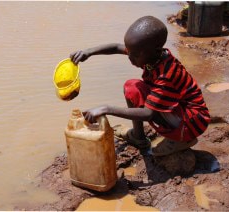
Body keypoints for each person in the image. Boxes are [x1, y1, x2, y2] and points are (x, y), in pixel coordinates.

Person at [69, 16, 211, 156]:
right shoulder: (151, 54)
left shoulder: (166, 74)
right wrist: (88, 52)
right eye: (129, 52)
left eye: (134, 55)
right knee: (132, 87)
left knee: (149, 108)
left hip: (191, 122)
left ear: (155, 51)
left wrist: (106, 109)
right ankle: (138, 137)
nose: (130, 57)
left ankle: (181, 139)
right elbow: (116, 47)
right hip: (180, 110)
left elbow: (149, 114)